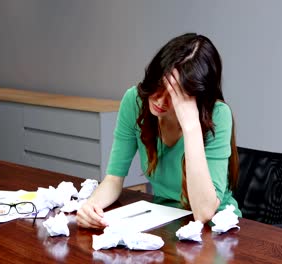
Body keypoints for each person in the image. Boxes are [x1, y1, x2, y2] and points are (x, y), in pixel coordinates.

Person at [76, 33, 241, 229]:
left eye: (174, 94)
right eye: (158, 86)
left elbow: (203, 212)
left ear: (197, 96)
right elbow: (113, 179)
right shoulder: (134, 102)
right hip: (164, 220)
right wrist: (91, 207)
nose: (160, 101)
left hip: (216, 228)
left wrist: (191, 126)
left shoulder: (217, 115)